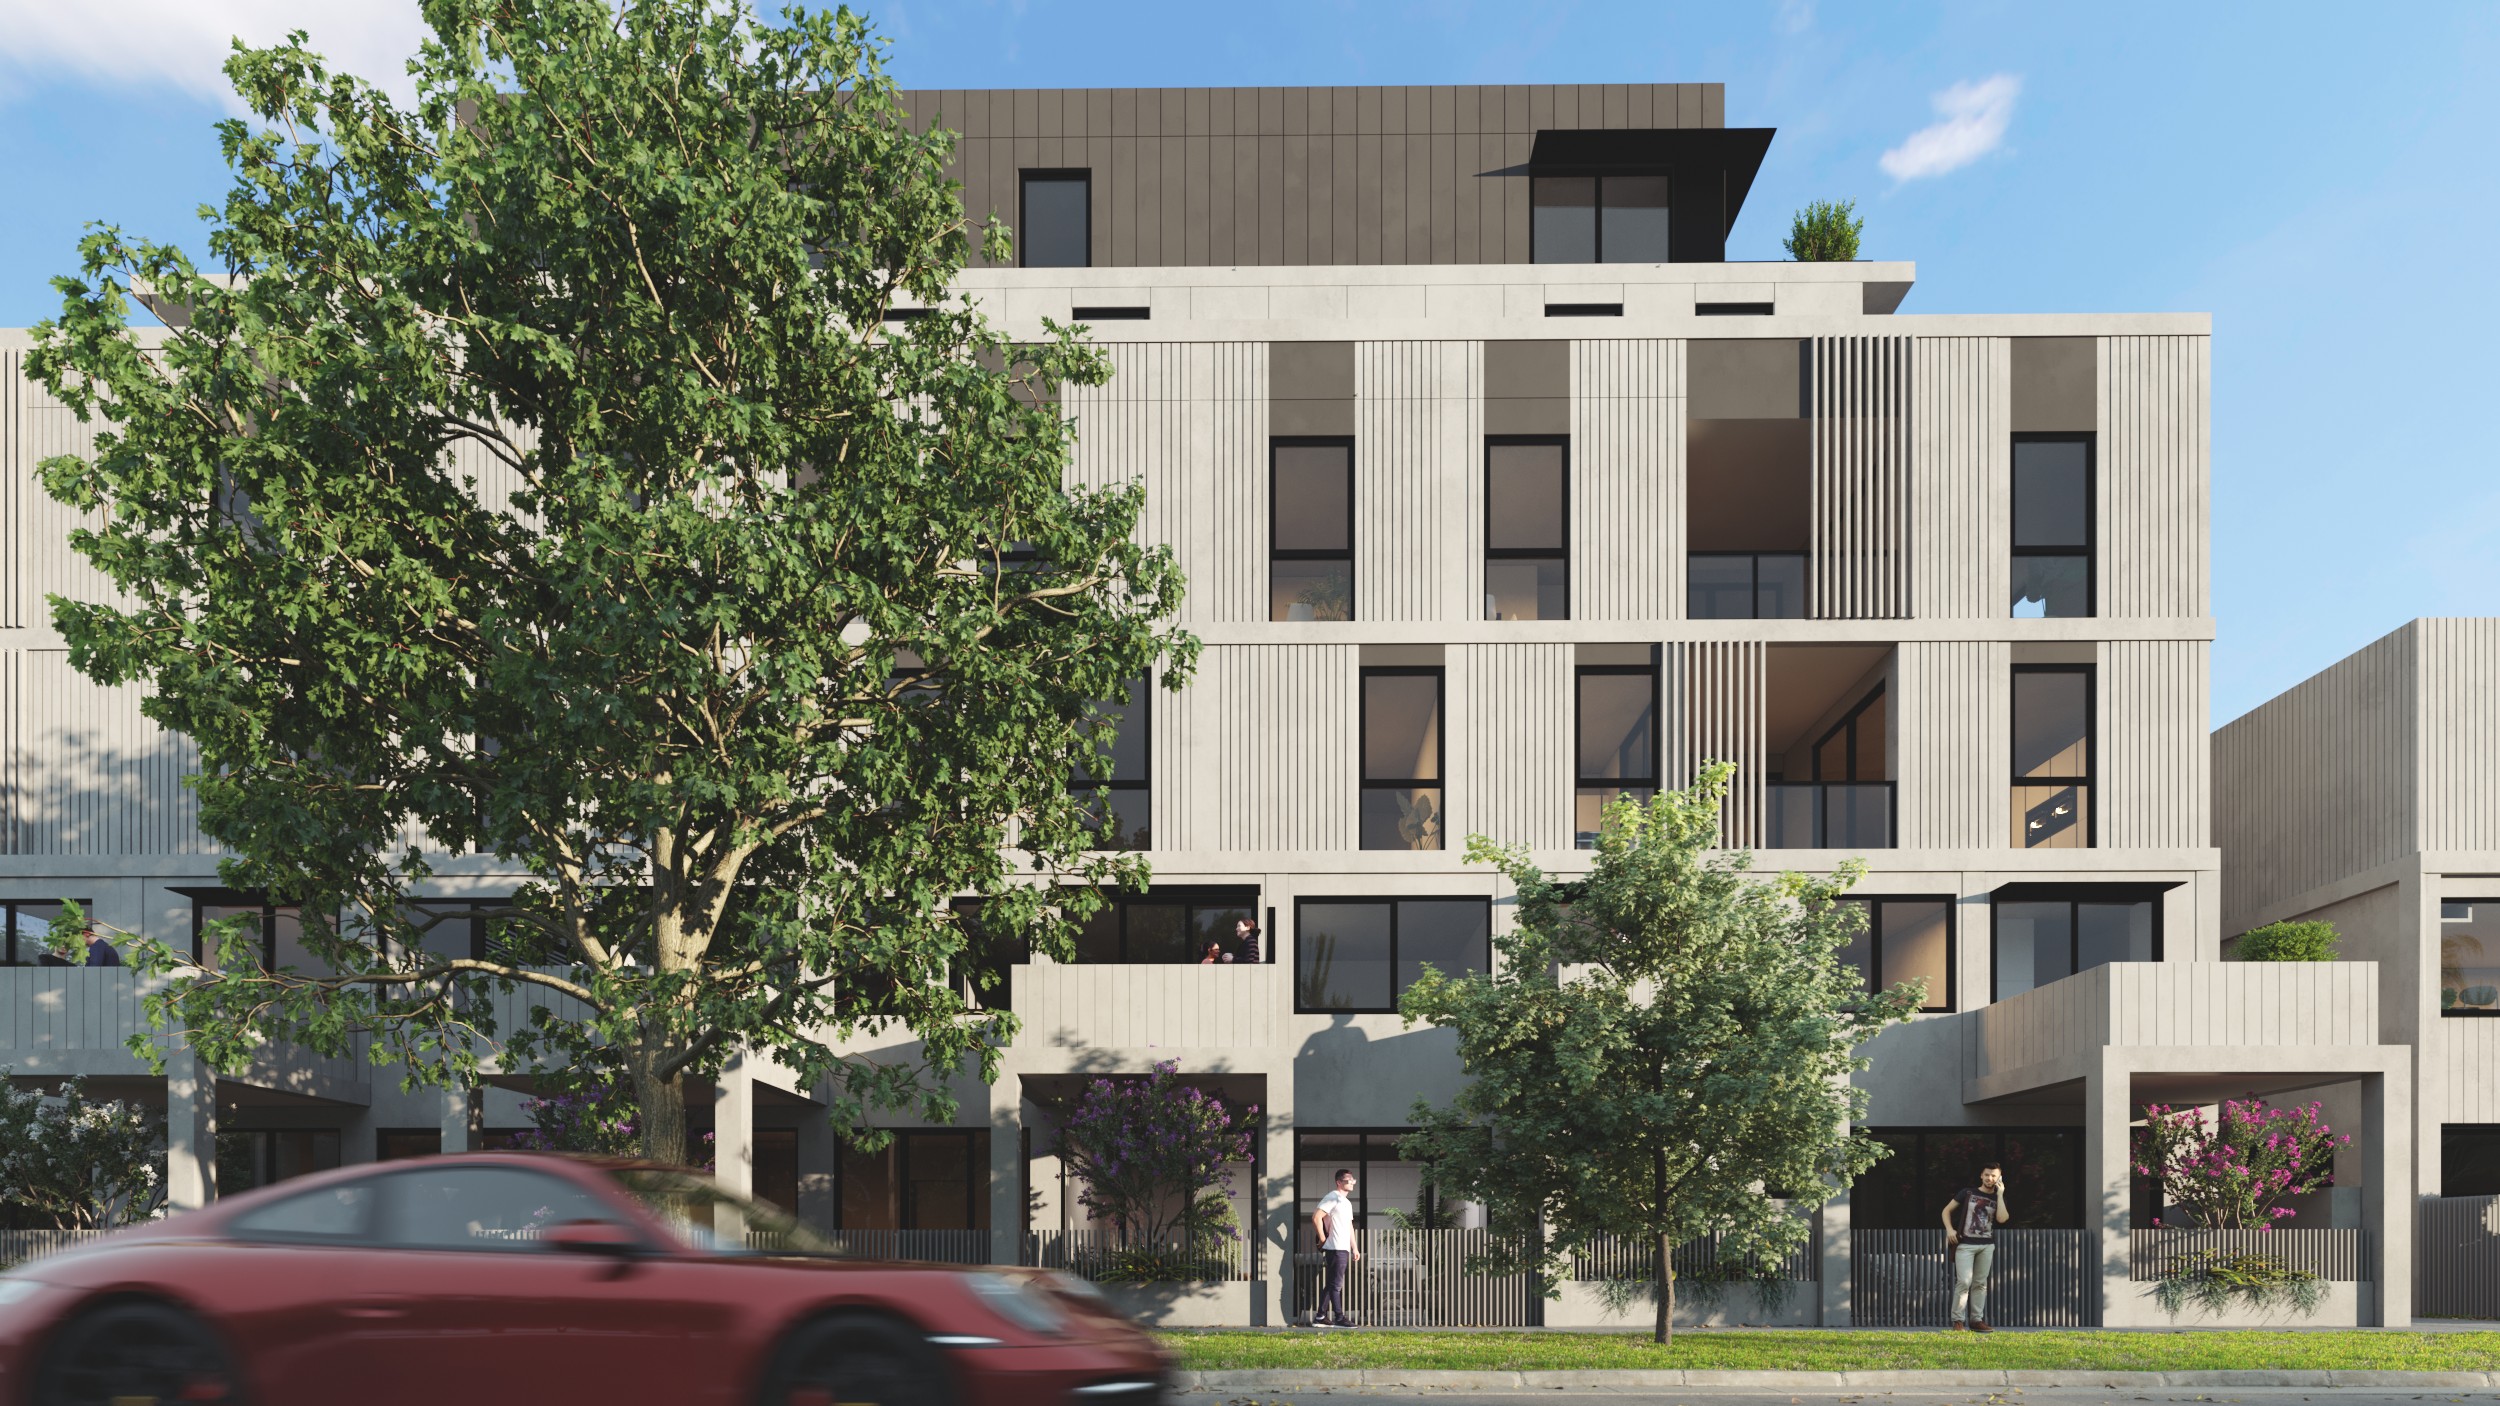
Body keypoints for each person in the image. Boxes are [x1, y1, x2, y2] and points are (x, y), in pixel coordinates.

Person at [1941, 1162, 2010, 1332]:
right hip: (1965, 1244)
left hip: (1986, 1246)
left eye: (1994, 1175)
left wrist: (2000, 1195)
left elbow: (2002, 1219)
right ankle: (1958, 1320)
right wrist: (1950, 1229)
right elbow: (1946, 1211)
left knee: (1980, 1283)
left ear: (1999, 1177)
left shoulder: (1998, 1198)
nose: (1990, 1178)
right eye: (1987, 1174)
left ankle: (1976, 1320)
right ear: (1981, 1175)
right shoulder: (1968, 1192)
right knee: (1964, 1281)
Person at [1310, 1168, 1362, 1327]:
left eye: (1352, 1179)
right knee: (1336, 1284)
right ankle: (1339, 1317)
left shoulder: (1346, 1203)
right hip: (1335, 1247)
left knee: (1332, 1283)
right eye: (1347, 1180)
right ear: (1339, 1182)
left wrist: (1354, 1247)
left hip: (1343, 1248)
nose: (1351, 1182)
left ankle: (1320, 1317)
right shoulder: (1332, 1197)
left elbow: (1349, 1226)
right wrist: (1322, 1237)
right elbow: (1316, 1217)